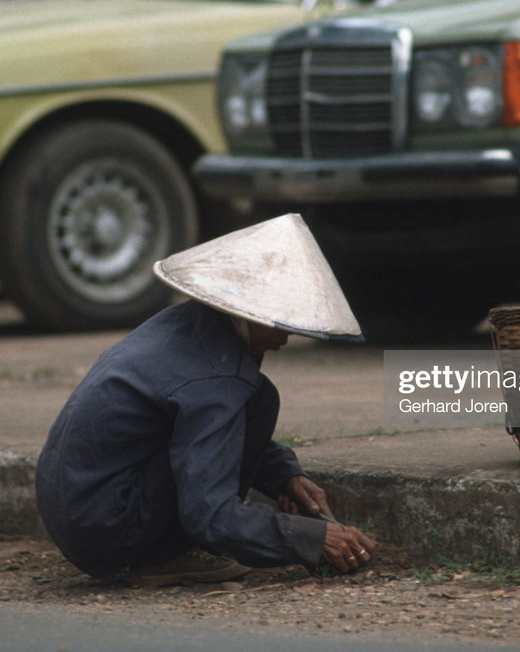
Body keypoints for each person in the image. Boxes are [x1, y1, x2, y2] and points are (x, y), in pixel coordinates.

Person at [35, 213, 377, 587]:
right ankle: (161, 556)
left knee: (255, 398)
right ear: (239, 313)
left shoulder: (183, 325)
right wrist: (310, 539)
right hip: (106, 528)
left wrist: (284, 475)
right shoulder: (215, 378)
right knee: (257, 399)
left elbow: (204, 433)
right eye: (277, 321)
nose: (285, 337)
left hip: (80, 512)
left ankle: (158, 548)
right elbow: (209, 515)